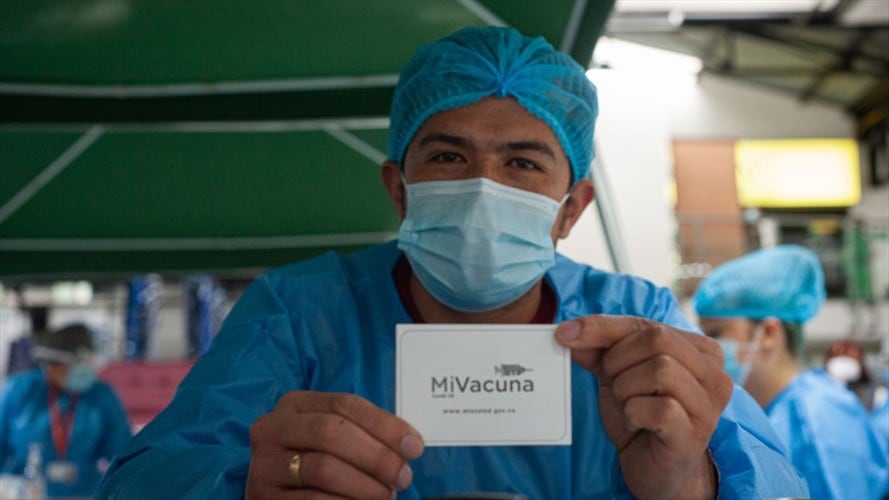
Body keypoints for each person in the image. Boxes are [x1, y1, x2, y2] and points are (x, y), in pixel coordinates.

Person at [96, 26, 808, 499]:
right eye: (447, 155)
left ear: (570, 209)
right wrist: (249, 485)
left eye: (523, 162)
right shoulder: (300, 313)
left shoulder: (635, 323)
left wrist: (691, 480)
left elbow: (777, 483)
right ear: (398, 189)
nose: (481, 187)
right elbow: (145, 480)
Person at [695, 244, 889, 500]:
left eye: (716, 334)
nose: (704, 347)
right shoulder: (772, 411)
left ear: (768, 334)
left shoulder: (816, 419)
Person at [0, 323, 132, 497]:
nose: (85, 371)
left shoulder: (101, 396)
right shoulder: (19, 390)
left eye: (88, 364)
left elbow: (121, 453)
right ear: (53, 364)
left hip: (85, 492)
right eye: (78, 364)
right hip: (24, 491)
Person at [823, 339, 888, 411]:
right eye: (838, 357)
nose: (844, 364)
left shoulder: (876, 393)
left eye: (851, 358)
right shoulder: (817, 391)